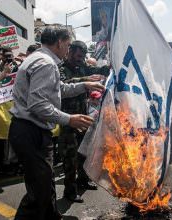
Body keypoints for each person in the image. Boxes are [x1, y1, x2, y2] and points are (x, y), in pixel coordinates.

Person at [8, 26, 105, 220]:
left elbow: (59, 88)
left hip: (32, 131)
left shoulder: (40, 59)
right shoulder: (45, 63)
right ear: (59, 42)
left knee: (46, 182)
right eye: (68, 45)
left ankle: (52, 216)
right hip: (30, 131)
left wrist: (84, 85)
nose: (69, 49)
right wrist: (69, 119)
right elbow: (38, 104)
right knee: (39, 190)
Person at [58, 40, 109, 203]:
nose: (80, 59)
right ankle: (70, 191)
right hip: (68, 119)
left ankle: (83, 180)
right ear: (70, 52)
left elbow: (100, 70)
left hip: (83, 117)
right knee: (70, 157)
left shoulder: (83, 66)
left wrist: (112, 64)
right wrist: (85, 79)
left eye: (83, 56)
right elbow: (64, 85)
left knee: (84, 153)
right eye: (78, 55)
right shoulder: (60, 68)